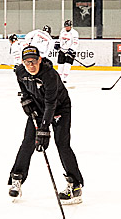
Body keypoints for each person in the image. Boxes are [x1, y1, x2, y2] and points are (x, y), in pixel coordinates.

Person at [8, 45, 84, 204]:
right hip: (38, 107)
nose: (31, 65)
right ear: (22, 62)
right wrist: (26, 100)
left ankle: (75, 185)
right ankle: (17, 178)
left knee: (62, 144)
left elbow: (51, 104)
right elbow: (23, 88)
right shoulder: (20, 72)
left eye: (34, 61)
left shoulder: (49, 75)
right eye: (27, 62)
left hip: (60, 109)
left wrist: (43, 129)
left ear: (40, 60)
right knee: (28, 141)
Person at [54, 19, 80, 85]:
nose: (67, 27)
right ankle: (60, 77)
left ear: (71, 26)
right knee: (60, 64)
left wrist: (71, 50)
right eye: (66, 26)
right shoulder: (62, 31)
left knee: (67, 65)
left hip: (71, 51)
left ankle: (65, 77)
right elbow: (60, 39)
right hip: (62, 50)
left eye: (68, 26)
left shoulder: (74, 33)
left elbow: (75, 42)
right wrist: (58, 44)